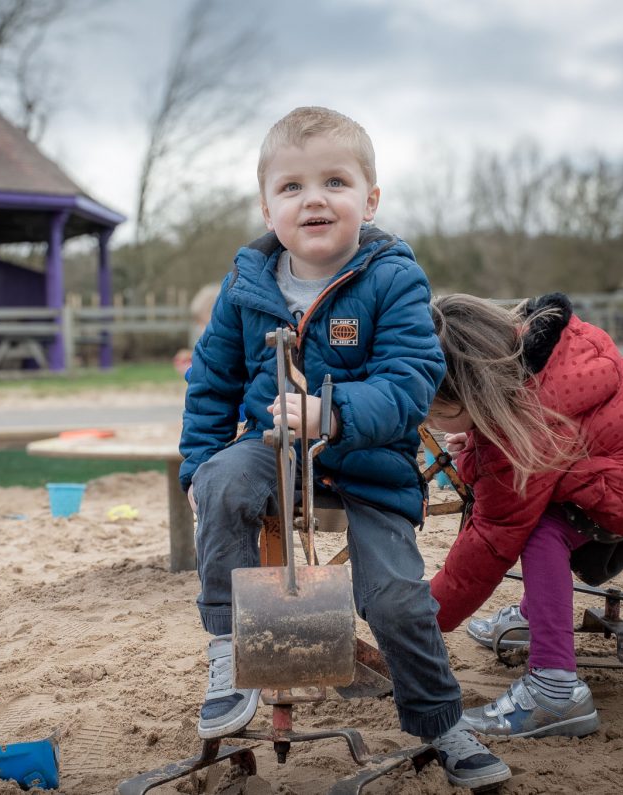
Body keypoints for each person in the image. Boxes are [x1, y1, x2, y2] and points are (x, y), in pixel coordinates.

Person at [179, 106, 512, 791]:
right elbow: (211, 382)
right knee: (222, 481)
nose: (315, 199)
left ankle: (441, 721)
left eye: (335, 181)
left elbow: (410, 381)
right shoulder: (245, 287)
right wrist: (197, 465)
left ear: (371, 198)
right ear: (267, 205)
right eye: (293, 186)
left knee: (395, 598)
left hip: (370, 462)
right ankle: (226, 648)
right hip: (273, 449)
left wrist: (328, 413)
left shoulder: (393, 279)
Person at [427, 292, 623, 741]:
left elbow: (489, 542)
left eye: (434, 410)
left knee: (538, 525)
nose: (428, 418)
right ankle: (537, 615)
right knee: (536, 492)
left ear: (469, 397)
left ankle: (554, 690)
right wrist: (477, 442)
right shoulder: (545, 354)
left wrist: (423, 621)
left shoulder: (525, 429)